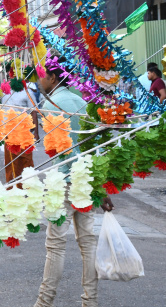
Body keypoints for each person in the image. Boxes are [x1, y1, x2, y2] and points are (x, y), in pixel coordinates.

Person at [34, 59, 114, 307]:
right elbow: (95, 149)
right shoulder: (81, 102)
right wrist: (100, 185)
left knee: (56, 245)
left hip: (64, 182)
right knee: (87, 243)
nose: (39, 80)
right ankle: (91, 301)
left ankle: (44, 303)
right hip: (86, 180)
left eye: (42, 76)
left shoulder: (52, 104)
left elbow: (58, 150)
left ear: (54, 79)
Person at [0, 63, 39, 186]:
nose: (12, 76)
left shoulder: (27, 92)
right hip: (9, 133)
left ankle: (28, 187)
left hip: (24, 133)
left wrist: (36, 132)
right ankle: (12, 188)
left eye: (14, 73)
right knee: (11, 162)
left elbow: (33, 112)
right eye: (10, 73)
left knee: (26, 161)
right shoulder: (4, 91)